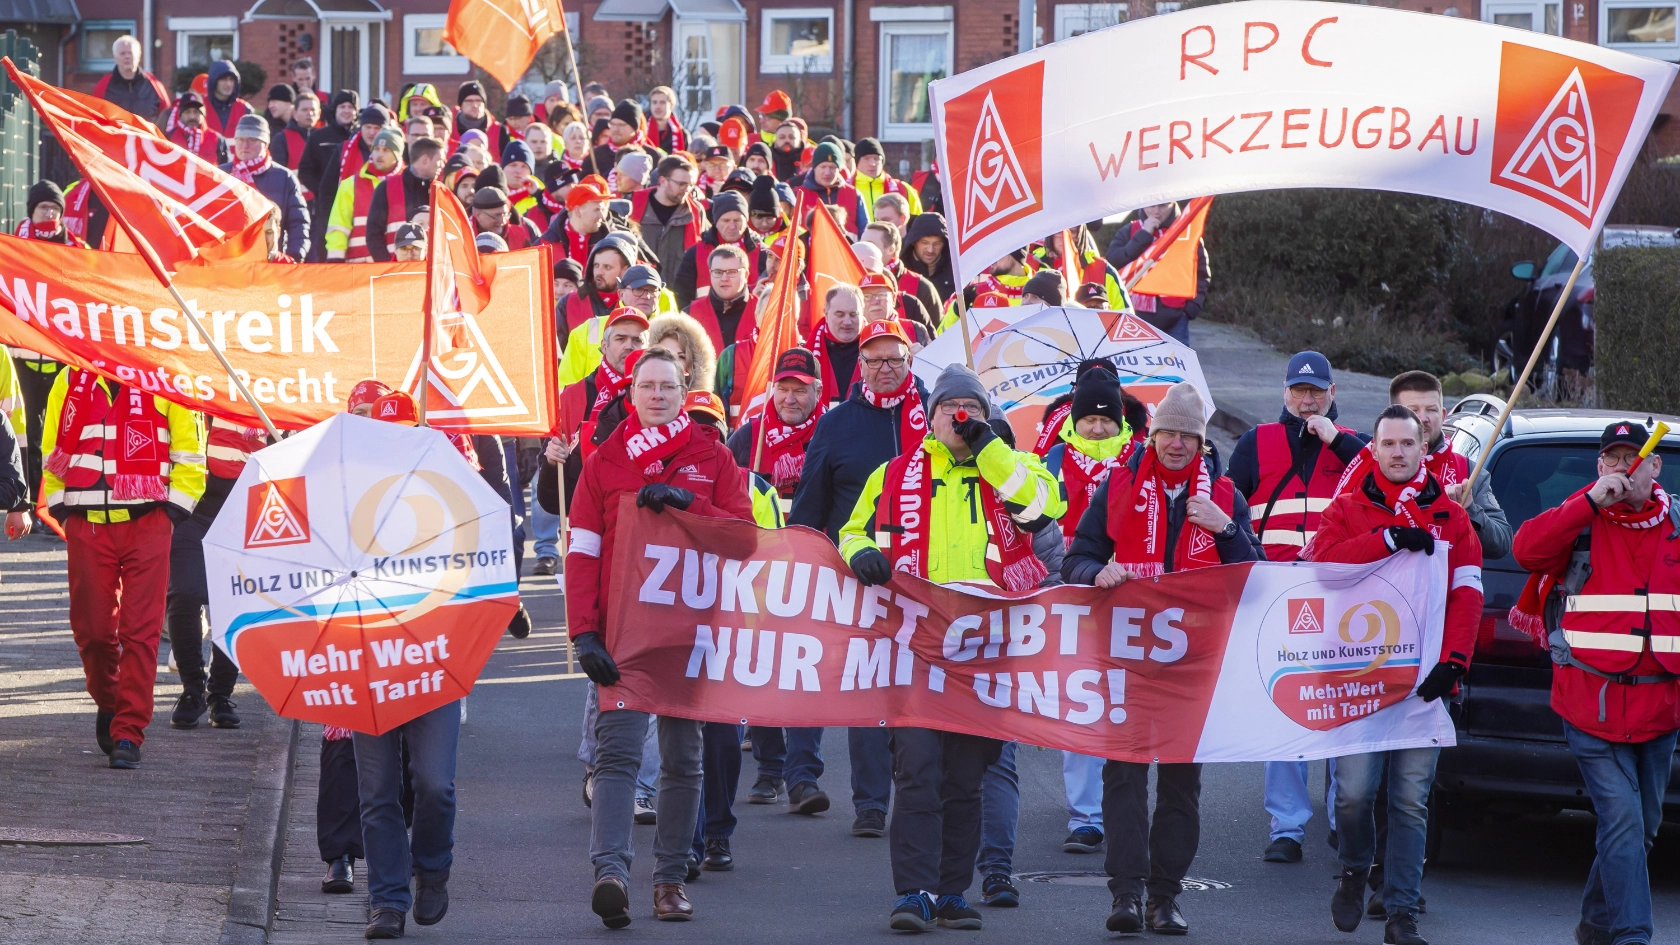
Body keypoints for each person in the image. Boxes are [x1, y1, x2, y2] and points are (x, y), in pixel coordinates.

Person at [838, 364, 1063, 931]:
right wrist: (860, 552)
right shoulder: (893, 474)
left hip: (984, 652)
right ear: (930, 416)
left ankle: (952, 891)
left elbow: (1041, 506)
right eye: (949, 409)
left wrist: (990, 447)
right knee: (917, 767)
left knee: (967, 775)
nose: (959, 418)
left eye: (971, 410)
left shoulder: (1015, 466)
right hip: (913, 647)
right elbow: (852, 529)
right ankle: (913, 892)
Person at [553, 346, 753, 928]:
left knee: (683, 759)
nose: (658, 395)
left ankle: (669, 881)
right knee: (616, 756)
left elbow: (743, 539)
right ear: (631, 393)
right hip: (621, 633)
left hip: (690, 633)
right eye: (648, 386)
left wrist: (690, 502)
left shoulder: (713, 457)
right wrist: (583, 633)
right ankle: (610, 874)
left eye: (668, 385)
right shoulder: (604, 461)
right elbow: (583, 552)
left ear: (683, 389)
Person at [1062, 381, 1261, 935]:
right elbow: (1077, 558)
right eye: (1168, 433)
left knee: (1180, 786)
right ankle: (1125, 894)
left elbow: (1256, 574)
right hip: (1125, 657)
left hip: (1194, 666)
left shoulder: (1223, 494)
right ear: (1152, 436)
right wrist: (1095, 573)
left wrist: (1224, 530)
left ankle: (1165, 897)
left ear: (1201, 442)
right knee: (1123, 777)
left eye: (1187, 436)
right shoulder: (1120, 484)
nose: (1176, 444)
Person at [1307, 404, 1484, 945]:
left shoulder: (1452, 518)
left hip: (1425, 687)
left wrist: (1454, 662)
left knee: (1410, 800)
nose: (1400, 453)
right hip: (1357, 682)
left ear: (1422, 450)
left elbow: (1468, 594)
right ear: (1376, 450)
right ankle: (1356, 871)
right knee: (1354, 797)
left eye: (1409, 444)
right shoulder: (1348, 506)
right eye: (1390, 445)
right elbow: (1322, 570)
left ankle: (1402, 912)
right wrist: (1385, 541)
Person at [1512, 421, 1680, 945]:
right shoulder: (1580, 520)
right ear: (1599, 468)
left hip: (1661, 709)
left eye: (1634, 457)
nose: (1622, 467)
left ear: (1655, 467)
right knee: (1625, 824)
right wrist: (1588, 502)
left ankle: (1594, 924)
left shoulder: (1678, 526)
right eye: (1612, 459)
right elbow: (1525, 550)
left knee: (1640, 828)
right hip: (1590, 705)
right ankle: (1633, 936)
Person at [1221, 351, 1368, 863]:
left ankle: (1339, 820)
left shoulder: (1352, 445)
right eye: (1298, 391)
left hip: (1341, 595)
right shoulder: (1255, 443)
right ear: (1284, 393)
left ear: (1332, 394)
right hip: (1277, 593)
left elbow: (1382, 481)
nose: (1307, 400)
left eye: (1317, 391)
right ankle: (1287, 826)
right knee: (1284, 707)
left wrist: (1336, 438)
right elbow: (1227, 510)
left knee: (1338, 710)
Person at [783, 319, 928, 833]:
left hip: (930, 580)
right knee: (870, 688)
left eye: (896, 359)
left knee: (919, 692)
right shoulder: (838, 423)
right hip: (859, 575)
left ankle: (918, 794)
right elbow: (810, 507)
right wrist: (798, 565)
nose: (886, 369)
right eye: (875, 361)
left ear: (911, 362)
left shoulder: (938, 417)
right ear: (860, 367)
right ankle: (871, 804)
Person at [40, 367, 205, 769]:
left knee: (140, 633)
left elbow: (190, 454)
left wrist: (171, 514)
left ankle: (129, 733)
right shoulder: (69, 379)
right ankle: (110, 702)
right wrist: (64, 510)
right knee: (93, 632)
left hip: (148, 523)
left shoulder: (168, 376)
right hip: (87, 524)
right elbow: (51, 450)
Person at [353, 390, 466, 940]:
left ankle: (433, 868)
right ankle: (387, 902)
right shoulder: (342, 496)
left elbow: (479, 564)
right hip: (365, 661)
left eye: (406, 432)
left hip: (431, 660)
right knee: (377, 792)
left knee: (434, 784)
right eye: (384, 433)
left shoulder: (447, 498)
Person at [166, 405, 268, 734]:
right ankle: (192, 688)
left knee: (234, 601)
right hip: (193, 509)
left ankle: (220, 695)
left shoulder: (269, 386)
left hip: (246, 510)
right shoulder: (195, 381)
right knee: (184, 592)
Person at [1104, 202, 1209, 343]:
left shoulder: (1186, 233)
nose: (1156, 211)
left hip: (1175, 318)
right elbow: (1113, 262)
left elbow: (1200, 273)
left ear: (1173, 204)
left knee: (1175, 364)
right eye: (1151, 206)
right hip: (1134, 318)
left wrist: (1191, 309)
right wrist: (1143, 235)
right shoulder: (1130, 230)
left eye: (1163, 206)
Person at [221, 114, 310, 261]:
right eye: (241, 140)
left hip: (272, 262)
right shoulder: (221, 175)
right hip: (229, 262)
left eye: (252, 140)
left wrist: (295, 256)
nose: (245, 145)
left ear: (266, 144)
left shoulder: (284, 177)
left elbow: (298, 223)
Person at [695, 245, 763, 424]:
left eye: (732, 272)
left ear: (746, 274)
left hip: (751, 419)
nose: (724, 278)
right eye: (718, 272)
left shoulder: (763, 313)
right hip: (701, 412)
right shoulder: (690, 313)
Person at [672, 191, 764, 310]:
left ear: (746, 221)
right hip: (704, 321)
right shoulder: (695, 252)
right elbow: (682, 293)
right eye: (726, 221)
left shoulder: (763, 253)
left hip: (750, 321)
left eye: (737, 220)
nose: (732, 226)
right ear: (715, 222)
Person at [325, 127, 403, 262]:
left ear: (397, 155)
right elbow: (338, 226)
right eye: (376, 149)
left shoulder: (406, 184)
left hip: (396, 268)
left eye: (386, 150)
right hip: (359, 267)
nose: (379, 154)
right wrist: (335, 260)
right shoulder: (350, 184)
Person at [299, 90, 360, 259]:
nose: (346, 110)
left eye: (351, 107)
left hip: (357, 202)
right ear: (335, 109)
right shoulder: (319, 136)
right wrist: (322, 189)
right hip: (327, 205)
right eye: (342, 106)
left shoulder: (361, 137)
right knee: (327, 247)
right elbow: (305, 169)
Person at [364, 137, 440, 262]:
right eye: (439, 160)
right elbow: (373, 234)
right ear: (425, 159)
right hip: (394, 273)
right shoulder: (386, 187)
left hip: (431, 274)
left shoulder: (439, 192)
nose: (442, 165)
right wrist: (389, 267)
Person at [631, 155, 705, 277]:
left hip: (678, 291)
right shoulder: (633, 205)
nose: (687, 189)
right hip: (640, 289)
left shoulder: (695, 212)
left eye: (690, 185)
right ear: (663, 181)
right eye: (681, 184)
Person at [863, 221, 943, 316]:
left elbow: (936, 329)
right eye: (861, 244)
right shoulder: (854, 279)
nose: (863, 249)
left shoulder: (921, 287)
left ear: (891, 250)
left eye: (870, 245)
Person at [806, 284, 865, 409]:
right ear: (826, 314)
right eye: (840, 314)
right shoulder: (807, 353)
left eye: (853, 314)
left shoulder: (878, 348)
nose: (847, 322)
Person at [92, 34, 168, 120]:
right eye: (122, 53)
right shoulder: (103, 86)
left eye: (130, 53)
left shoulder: (154, 84)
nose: (127, 57)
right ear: (115, 58)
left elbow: (166, 117)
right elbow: (94, 117)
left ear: (139, 55)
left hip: (145, 133)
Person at [800, 142, 868, 237]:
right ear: (814, 168)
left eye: (832, 167)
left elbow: (864, 231)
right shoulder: (799, 194)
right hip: (811, 249)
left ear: (839, 169)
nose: (827, 172)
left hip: (847, 249)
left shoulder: (853, 194)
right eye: (823, 167)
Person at [852, 137, 922, 221]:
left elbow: (919, 224)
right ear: (857, 162)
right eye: (866, 159)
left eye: (876, 158)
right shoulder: (846, 189)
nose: (872, 163)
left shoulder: (904, 189)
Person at [648, 313, 717, 393]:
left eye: (681, 357)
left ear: (693, 365)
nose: (673, 361)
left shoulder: (702, 405)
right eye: (665, 354)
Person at [902, 213, 955, 302]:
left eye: (937, 243)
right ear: (914, 242)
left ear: (945, 244)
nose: (930, 250)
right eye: (924, 243)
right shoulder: (901, 270)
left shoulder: (956, 272)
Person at [201, 59, 251, 146]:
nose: (228, 84)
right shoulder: (199, 106)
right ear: (213, 81)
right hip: (206, 159)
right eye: (223, 79)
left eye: (231, 79)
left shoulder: (245, 109)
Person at [167, 92, 224, 164]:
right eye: (187, 112)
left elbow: (225, 170)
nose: (192, 116)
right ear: (180, 114)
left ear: (203, 114)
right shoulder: (169, 137)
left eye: (196, 112)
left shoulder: (217, 140)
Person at [271, 91, 319, 173]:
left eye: (313, 110)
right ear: (294, 113)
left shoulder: (326, 137)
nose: (309, 113)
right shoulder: (281, 138)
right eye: (304, 110)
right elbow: (278, 173)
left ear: (319, 113)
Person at [451, 81, 500, 152]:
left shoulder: (499, 130)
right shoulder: (449, 130)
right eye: (469, 101)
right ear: (461, 105)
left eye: (478, 101)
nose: (475, 105)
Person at [643, 86, 689, 153]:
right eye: (654, 102)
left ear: (671, 105)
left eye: (662, 102)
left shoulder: (682, 134)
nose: (657, 107)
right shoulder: (641, 130)